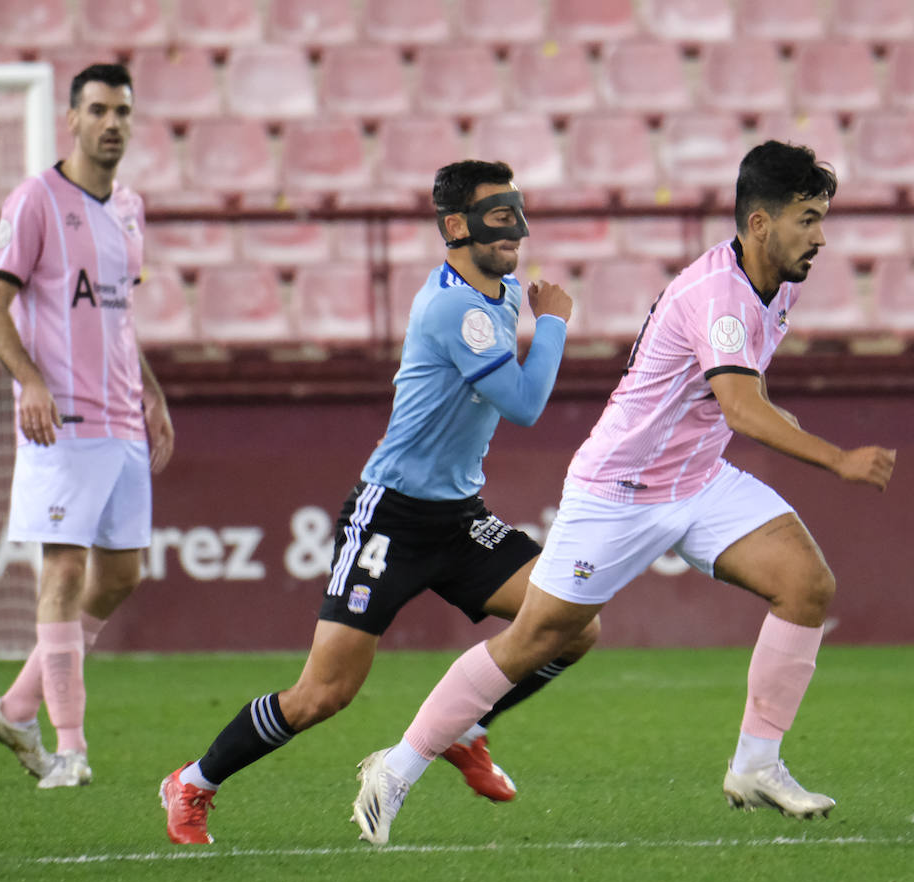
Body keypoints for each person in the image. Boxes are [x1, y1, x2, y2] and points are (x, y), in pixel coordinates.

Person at [350, 141, 898, 845]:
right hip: (621, 489)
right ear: (761, 224)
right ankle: (394, 769)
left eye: (821, 219)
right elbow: (740, 407)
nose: (820, 236)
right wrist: (839, 459)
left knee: (806, 584)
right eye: (807, 220)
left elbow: (743, 397)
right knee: (537, 638)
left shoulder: (779, 283)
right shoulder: (719, 296)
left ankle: (757, 763)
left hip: (698, 478)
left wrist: (784, 424)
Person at [158, 160, 600, 845]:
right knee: (323, 696)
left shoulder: (506, 292)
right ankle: (193, 782)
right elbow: (526, 404)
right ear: (457, 226)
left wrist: (533, 316)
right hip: (388, 519)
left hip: (458, 519)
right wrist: (555, 327)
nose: (515, 227)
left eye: (517, 210)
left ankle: (467, 732)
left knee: (574, 625)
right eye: (498, 213)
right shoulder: (455, 307)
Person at [0, 63, 174, 789]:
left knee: (120, 575)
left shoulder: (130, 208)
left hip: (122, 418)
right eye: (97, 110)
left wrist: (151, 392)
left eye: (122, 110)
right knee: (62, 571)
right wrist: (29, 381)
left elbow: (118, 317)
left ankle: (17, 707)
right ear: (73, 119)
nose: (111, 123)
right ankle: (69, 749)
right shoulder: (35, 200)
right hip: (61, 420)